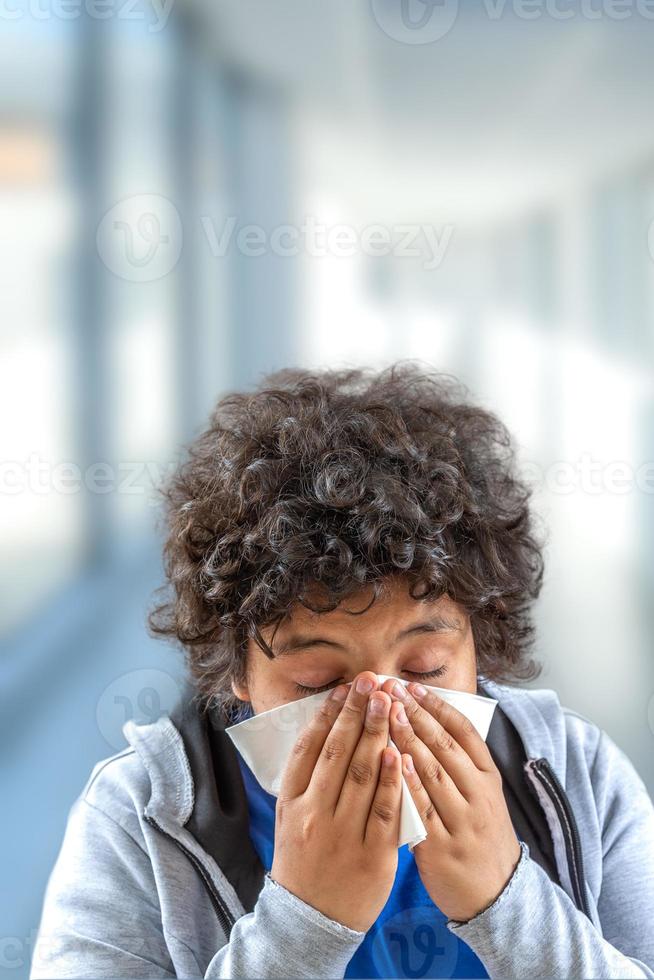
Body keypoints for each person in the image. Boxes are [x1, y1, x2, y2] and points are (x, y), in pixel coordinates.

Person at [30, 363, 654, 979]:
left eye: (426, 667)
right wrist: (304, 924)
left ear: (478, 649)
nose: (382, 709)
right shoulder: (140, 817)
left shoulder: (578, 778)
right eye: (318, 682)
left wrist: (505, 900)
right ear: (236, 675)